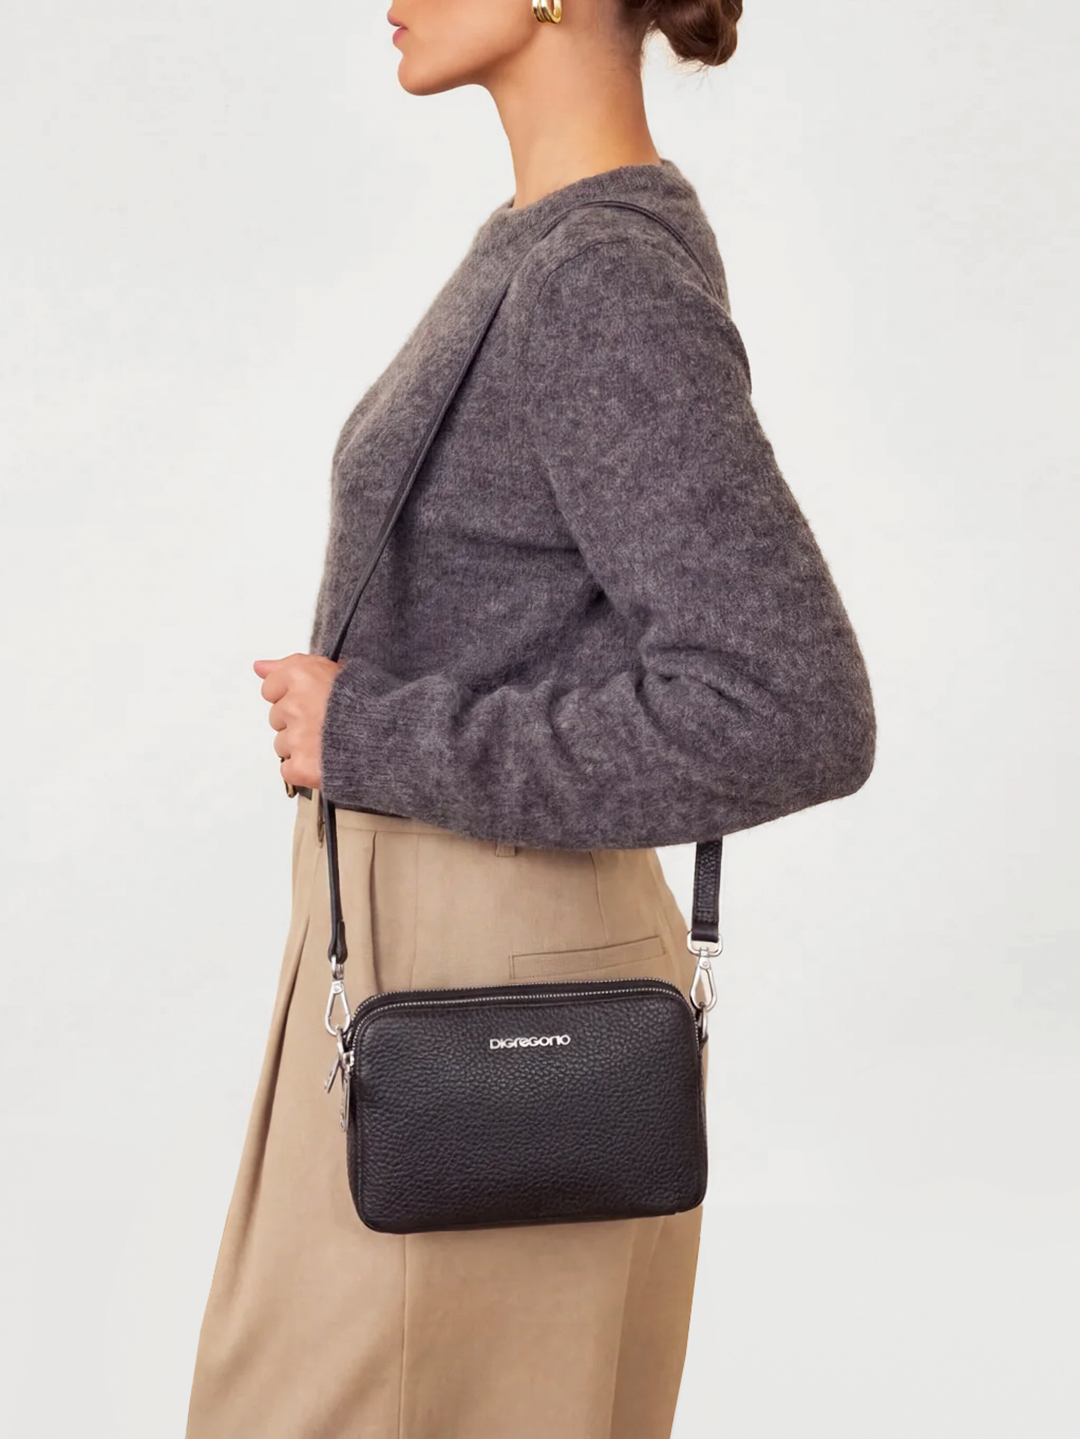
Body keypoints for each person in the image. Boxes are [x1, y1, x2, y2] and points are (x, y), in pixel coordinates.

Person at [184, 0, 876, 1432]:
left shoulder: (598, 276)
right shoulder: (547, 244)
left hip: (490, 989)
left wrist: (377, 735)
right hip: (435, 959)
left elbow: (791, 707)